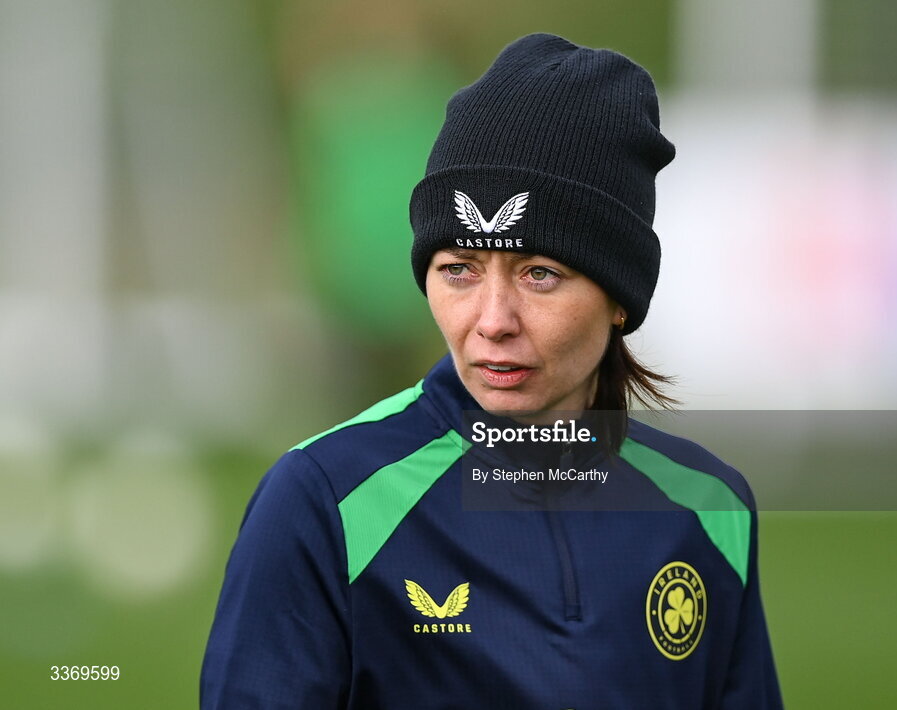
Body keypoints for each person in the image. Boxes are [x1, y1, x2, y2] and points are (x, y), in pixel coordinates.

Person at [201, 32, 783, 708]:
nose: (492, 319)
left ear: (620, 296)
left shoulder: (709, 509)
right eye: (459, 271)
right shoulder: (324, 501)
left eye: (540, 274)